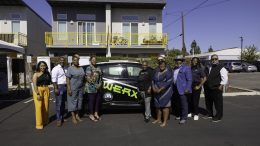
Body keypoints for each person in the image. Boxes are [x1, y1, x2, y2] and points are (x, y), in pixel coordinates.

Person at [204, 54, 228, 122]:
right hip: (208, 88)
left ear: (218, 60)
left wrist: (221, 85)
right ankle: (209, 114)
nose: (214, 60)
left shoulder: (221, 68)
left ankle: (218, 116)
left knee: (218, 103)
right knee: (208, 102)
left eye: (215, 59)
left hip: (216, 88)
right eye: (212, 59)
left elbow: (225, 78)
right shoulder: (209, 67)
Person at [152, 60, 173, 127]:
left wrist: (161, 89)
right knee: (157, 107)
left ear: (165, 65)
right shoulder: (156, 71)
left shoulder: (168, 72)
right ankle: (158, 119)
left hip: (165, 92)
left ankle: (165, 122)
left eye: (163, 65)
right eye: (160, 65)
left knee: (165, 107)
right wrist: (153, 88)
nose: (162, 66)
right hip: (156, 92)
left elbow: (169, 82)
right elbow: (153, 80)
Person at [172, 58, 192, 124]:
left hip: (183, 89)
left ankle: (183, 118)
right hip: (175, 88)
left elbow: (189, 79)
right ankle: (179, 115)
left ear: (182, 61)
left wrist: (187, 88)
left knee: (184, 104)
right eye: (177, 60)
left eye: (179, 60)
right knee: (178, 103)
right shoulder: (174, 68)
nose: (178, 61)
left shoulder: (186, 68)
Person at [32, 61, 52, 130]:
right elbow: (34, 85)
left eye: (44, 66)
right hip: (38, 90)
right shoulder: (36, 74)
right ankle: (39, 124)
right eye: (41, 66)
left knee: (46, 106)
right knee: (39, 107)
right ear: (39, 66)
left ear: (46, 66)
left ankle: (45, 121)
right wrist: (37, 93)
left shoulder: (47, 73)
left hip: (46, 89)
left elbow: (49, 82)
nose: (43, 67)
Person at [66, 56, 85, 124]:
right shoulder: (70, 68)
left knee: (79, 101)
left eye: (77, 60)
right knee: (72, 102)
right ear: (73, 61)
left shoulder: (81, 68)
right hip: (73, 88)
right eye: (74, 60)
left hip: (80, 88)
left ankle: (77, 115)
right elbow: (67, 79)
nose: (76, 61)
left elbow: (83, 78)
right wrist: (69, 89)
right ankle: (73, 117)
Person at [85, 56, 103, 122]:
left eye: (95, 60)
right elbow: (88, 79)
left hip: (98, 88)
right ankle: (91, 114)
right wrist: (96, 85)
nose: (94, 61)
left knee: (97, 101)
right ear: (90, 60)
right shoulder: (88, 68)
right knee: (91, 102)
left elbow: (101, 77)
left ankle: (96, 113)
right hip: (91, 88)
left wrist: (100, 84)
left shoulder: (98, 68)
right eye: (93, 60)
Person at [51, 57, 67, 127]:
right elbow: (54, 79)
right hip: (59, 87)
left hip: (65, 86)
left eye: (63, 60)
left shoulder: (65, 68)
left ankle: (62, 117)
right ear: (58, 61)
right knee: (59, 104)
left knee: (63, 103)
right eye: (61, 60)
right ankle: (58, 120)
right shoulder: (56, 68)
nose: (62, 61)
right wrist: (55, 88)